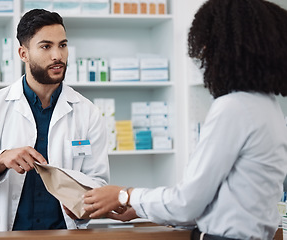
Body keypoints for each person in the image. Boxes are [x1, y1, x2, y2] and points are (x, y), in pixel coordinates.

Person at [83, 0, 287, 239]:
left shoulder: (234, 108)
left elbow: (186, 202)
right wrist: (140, 207)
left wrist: (125, 195)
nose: (202, 53)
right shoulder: (268, 107)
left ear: (228, 47)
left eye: (208, 44)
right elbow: (219, 202)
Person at [0, 9, 109, 232]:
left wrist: (82, 205)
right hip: (5, 233)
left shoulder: (87, 112)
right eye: (46, 46)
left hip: (64, 233)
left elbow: (99, 182)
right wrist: (1, 159)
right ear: (23, 54)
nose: (58, 56)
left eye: (62, 45)